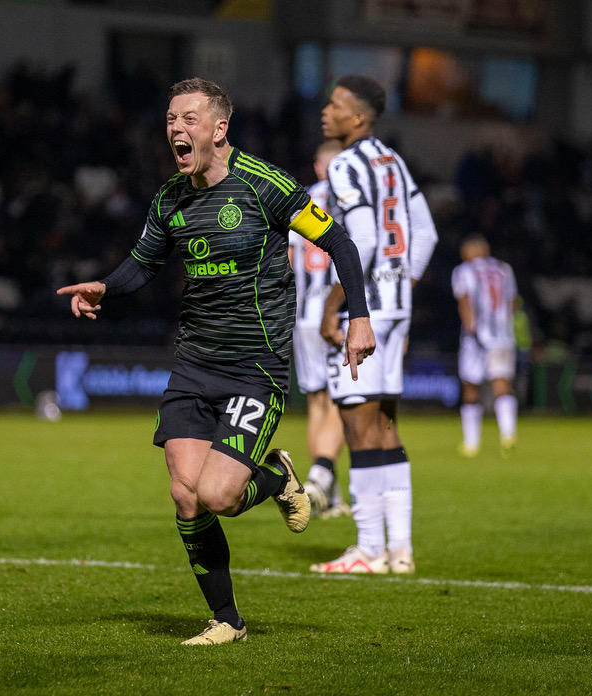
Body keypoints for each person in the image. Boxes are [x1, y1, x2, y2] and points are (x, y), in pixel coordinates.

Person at [58, 78, 375, 646]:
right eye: (171, 120)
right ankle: (227, 620)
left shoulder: (265, 186)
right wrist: (106, 286)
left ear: (219, 128)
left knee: (220, 495)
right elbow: (141, 264)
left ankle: (275, 476)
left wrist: (359, 318)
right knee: (185, 494)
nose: (176, 130)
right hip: (194, 364)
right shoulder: (169, 199)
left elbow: (341, 244)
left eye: (189, 119)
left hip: (257, 363)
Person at [311, 75, 439, 575]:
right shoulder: (393, 161)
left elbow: (360, 238)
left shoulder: (343, 165)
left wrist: (332, 302)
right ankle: (399, 549)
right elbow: (425, 232)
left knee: (358, 425)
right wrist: (401, 282)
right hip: (395, 305)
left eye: (336, 105)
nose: (327, 110)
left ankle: (367, 547)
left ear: (358, 117)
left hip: (361, 310)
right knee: (386, 423)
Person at [295, 139, 350, 518]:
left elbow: (285, 258)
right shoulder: (347, 200)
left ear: (317, 167)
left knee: (316, 401)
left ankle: (324, 495)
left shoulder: (296, 203)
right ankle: (321, 477)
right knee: (343, 402)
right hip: (337, 309)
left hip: (303, 313)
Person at [453, 236, 520, 458]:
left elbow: (464, 301)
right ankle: (508, 434)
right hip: (502, 335)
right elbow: (513, 303)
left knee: (471, 387)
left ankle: (472, 443)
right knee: (502, 384)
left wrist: (471, 329)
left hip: (476, 336)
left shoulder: (464, 270)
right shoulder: (504, 269)